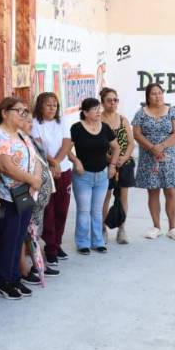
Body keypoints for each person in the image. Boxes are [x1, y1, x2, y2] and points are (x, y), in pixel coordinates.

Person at [0, 97, 42, 298]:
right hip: (8, 196)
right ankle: (3, 282)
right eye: (19, 111)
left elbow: (34, 157)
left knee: (19, 238)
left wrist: (35, 179)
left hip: (26, 194)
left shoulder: (21, 134)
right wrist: (32, 180)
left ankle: (14, 277)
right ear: (4, 112)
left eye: (26, 111)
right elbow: (4, 166)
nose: (24, 115)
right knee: (8, 239)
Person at [132, 83, 175, 241]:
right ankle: (156, 226)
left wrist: (161, 146)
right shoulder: (141, 113)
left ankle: (173, 228)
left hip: (168, 158)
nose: (157, 96)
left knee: (170, 191)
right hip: (149, 157)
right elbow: (137, 134)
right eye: (154, 93)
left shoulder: (172, 111)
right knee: (153, 191)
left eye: (160, 93)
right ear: (148, 96)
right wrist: (152, 147)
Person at [66, 98, 118, 254]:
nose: (98, 112)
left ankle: (98, 241)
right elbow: (67, 150)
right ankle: (82, 242)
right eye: (94, 109)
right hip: (83, 177)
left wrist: (113, 165)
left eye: (98, 109)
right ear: (85, 112)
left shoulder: (105, 128)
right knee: (83, 210)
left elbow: (116, 147)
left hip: (102, 175)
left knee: (97, 210)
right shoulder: (76, 128)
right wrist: (76, 161)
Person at [32, 91, 73, 268]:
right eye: (48, 104)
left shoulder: (62, 121)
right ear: (40, 105)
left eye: (55, 105)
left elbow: (67, 143)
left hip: (63, 169)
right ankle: (50, 248)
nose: (52, 108)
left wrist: (57, 162)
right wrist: (52, 163)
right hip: (45, 171)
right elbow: (38, 146)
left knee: (62, 209)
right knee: (48, 210)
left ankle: (57, 243)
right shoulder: (35, 123)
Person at [20, 112, 55, 281]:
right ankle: (25, 270)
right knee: (26, 234)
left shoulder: (30, 139)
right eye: (26, 121)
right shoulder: (18, 142)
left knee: (35, 233)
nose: (30, 124)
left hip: (39, 199)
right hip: (27, 197)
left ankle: (38, 265)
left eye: (30, 121)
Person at [100, 87, 135, 245]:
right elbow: (97, 145)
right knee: (105, 196)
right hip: (105, 163)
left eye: (115, 100)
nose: (113, 103)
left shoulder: (123, 119)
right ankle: (102, 228)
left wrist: (123, 158)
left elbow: (130, 143)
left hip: (124, 164)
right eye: (109, 100)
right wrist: (111, 159)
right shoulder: (98, 120)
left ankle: (122, 228)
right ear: (103, 102)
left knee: (122, 197)